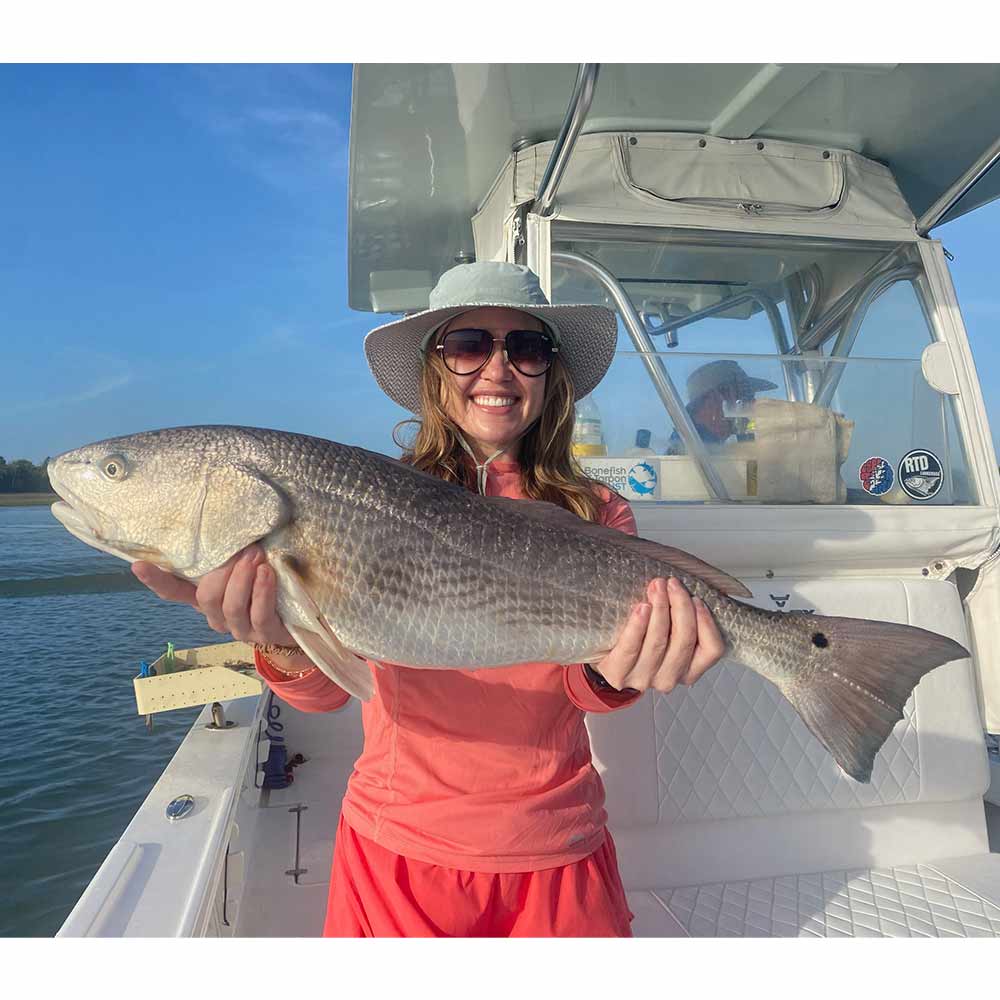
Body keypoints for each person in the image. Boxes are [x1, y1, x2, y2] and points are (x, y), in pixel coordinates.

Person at [131, 261, 726, 937]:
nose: (497, 369)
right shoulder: (365, 499)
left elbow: (584, 687)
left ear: (550, 376)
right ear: (433, 370)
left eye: (525, 348)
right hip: (399, 849)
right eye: (468, 344)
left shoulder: (598, 511)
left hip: (560, 844)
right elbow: (328, 694)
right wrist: (274, 635)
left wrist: (618, 669)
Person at [668, 359, 778, 453]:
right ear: (713, 398)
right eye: (745, 396)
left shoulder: (706, 447)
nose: (753, 403)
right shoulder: (689, 452)